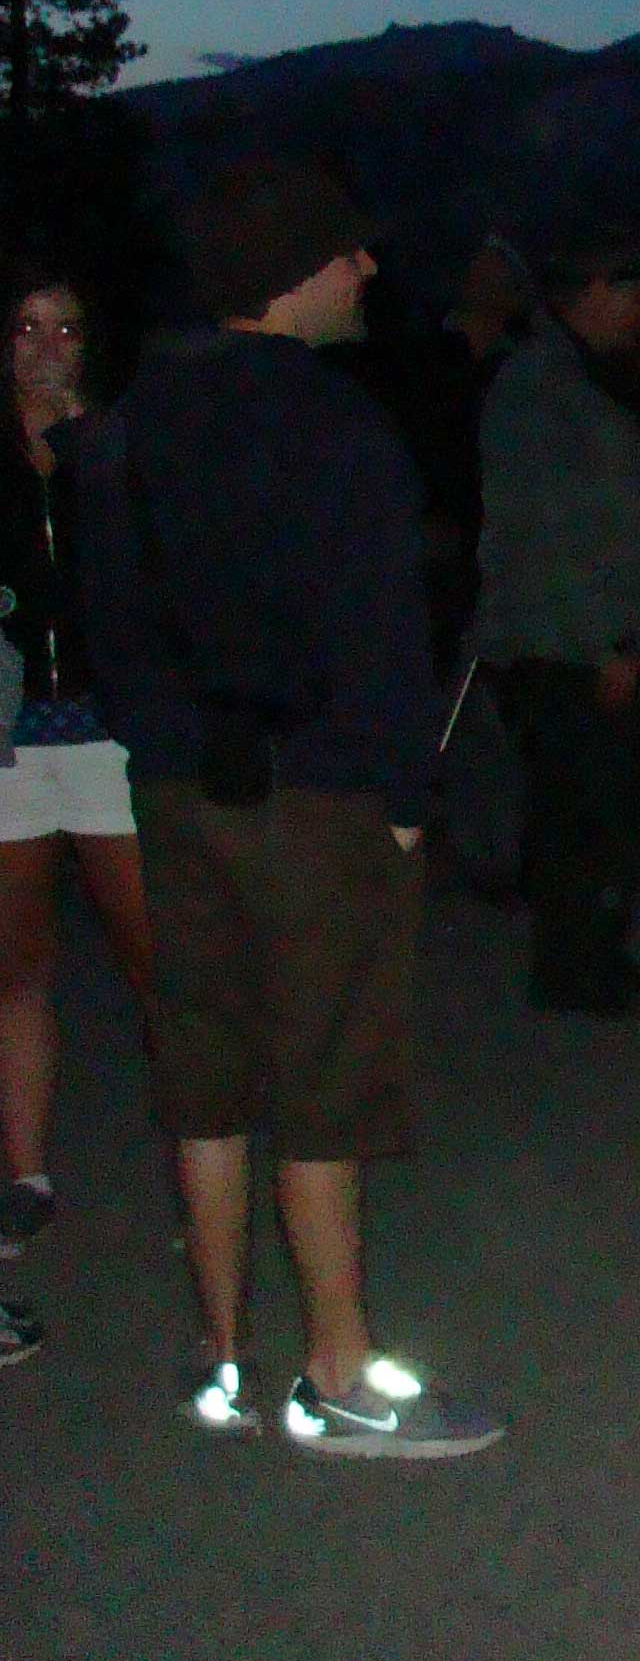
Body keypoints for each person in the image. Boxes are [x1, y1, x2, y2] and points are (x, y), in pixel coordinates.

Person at [69, 160, 502, 1457]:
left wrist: (170, 747)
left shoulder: (132, 423)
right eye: (345, 251)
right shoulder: (333, 424)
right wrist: (407, 799)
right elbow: (381, 631)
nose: (367, 269)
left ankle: (223, 1357)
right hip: (317, 797)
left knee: (205, 1067)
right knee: (325, 1073)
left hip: (179, 792)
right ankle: (340, 1372)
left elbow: (109, 624)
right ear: (288, 271)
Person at [469, 225, 640, 1017]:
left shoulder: (589, 376)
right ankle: (572, 970)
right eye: (634, 295)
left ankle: (598, 954)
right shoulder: (541, 387)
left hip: (599, 635)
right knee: (581, 806)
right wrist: (607, 644)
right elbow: (554, 528)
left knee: (612, 801)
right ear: (593, 292)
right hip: (571, 642)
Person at [0, 269, 154, 1266]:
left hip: (107, 730)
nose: (47, 347)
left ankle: (202, 1152)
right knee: (16, 965)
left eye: (67, 328)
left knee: (155, 956)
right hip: (11, 734)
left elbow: (153, 561)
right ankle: (25, 1174)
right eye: (27, 327)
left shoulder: (118, 442)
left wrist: (85, 445)